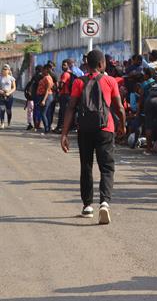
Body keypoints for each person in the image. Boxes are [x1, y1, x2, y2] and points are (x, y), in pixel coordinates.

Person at [60, 49, 126, 223]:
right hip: (106, 128)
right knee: (107, 168)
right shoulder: (110, 81)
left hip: (85, 129)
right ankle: (104, 202)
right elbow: (119, 108)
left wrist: (64, 134)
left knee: (86, 165)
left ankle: (87, 205)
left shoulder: (78, 82)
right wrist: (123, 125)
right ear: (101, 64)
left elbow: (71, 107)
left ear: (87, 65)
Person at [55, 59, 73, 133]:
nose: (63, 66)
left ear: (68, 65)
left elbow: (61, 84)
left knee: (62, 112)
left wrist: (57, 89)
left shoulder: (65, 74)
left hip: (65, 95)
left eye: (64, 65)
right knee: (65, 112)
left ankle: (61, 128)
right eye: (62, 65)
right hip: (68, 95)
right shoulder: (71, 73)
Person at [36, 64, 55, 134]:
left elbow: (48, 90)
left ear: (46, 70)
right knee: (44, 113)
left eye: (43, 70)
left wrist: (44, 100)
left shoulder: (47, 78)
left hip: (46, 97)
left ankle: (47, 129)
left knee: (43, 113)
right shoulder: (46, 77)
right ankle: (47, 128)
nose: (42, 71)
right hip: (45, 96)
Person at [0, 64, 16, 129]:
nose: (4, 70)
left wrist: (9, 93)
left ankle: (9, 121)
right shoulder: (0, 77)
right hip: (1, 96)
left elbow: (14, 87)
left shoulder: (11, 78)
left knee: (8, 111)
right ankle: (2, 123)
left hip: (9, 96)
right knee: (2, 109)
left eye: (6, 69)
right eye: (3, 69)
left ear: (9, 70)